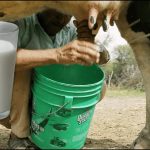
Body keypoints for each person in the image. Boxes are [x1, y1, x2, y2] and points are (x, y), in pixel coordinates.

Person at [0, 8, 107, 149]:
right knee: (22, 69)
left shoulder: (70, 31)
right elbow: (4, 60)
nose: (61, 18)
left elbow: (102, 57)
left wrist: (92, 46)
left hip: (44, 105)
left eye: (67, 14)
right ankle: (19, 135)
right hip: (8, 105)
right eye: (56, 10)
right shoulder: (21, 22)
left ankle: (47, 131)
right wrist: (57, 55)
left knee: (101, 86)